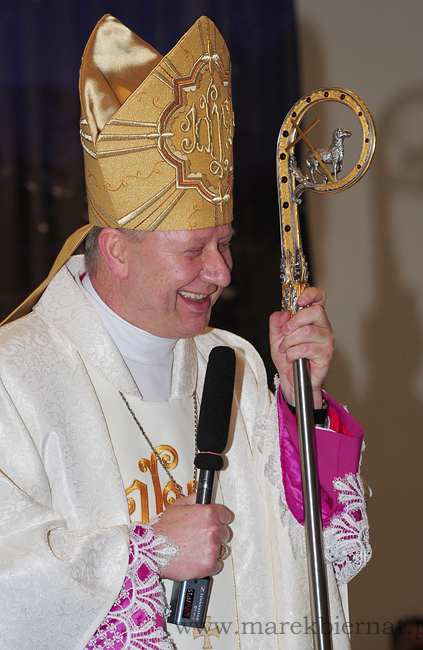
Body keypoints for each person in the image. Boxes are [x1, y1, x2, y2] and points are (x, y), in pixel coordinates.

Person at [0, 14, 370, 650]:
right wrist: (145, 556)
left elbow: (319, 551)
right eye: (194, 250)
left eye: (224, 244)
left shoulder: (235, 363)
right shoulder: (16, 377)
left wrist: (299, 406)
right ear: (116, 250)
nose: (221, 272)